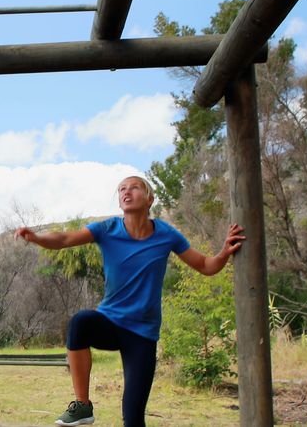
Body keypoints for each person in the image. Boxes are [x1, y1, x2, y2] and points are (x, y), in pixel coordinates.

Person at [14, 176, 244, 427]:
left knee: (133, 419)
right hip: (109, 324)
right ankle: (83, 406)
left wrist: (224, 252)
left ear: (149, 199)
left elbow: (205, 266)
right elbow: (65, 240)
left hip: (142, 336)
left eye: (134, 187)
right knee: (80, 322)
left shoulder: (166, 235)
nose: (126, 192)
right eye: (122, 189)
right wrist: (36, 238)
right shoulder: (107, 229)